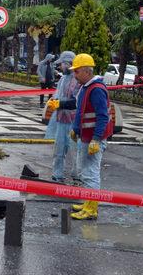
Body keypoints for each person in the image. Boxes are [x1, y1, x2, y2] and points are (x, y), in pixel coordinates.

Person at [46, 53, 113, 220]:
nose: (74, 75)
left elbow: (102, 116)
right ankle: (88, 203)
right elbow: (79, 108)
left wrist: (97, 139)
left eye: (77, 72)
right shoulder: (85, 87)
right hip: (85, 137)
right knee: (84, 172)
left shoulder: (96, 89)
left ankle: (91, 209)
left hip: (92, 139)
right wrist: (75, 129)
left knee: (90, 173)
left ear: (86, 71)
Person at [44, 51, 80, 184]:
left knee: (75, 150)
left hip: (73, 121)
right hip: (61, 119)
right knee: (59, 148)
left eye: (62, 64)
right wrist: (53, 101)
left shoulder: (78, 80)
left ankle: (77, 176)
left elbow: (76, 102)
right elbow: (58, 94)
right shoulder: (63, 79)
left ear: (69, 64)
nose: (60, 67)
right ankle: (57, 174)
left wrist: (61, 103)